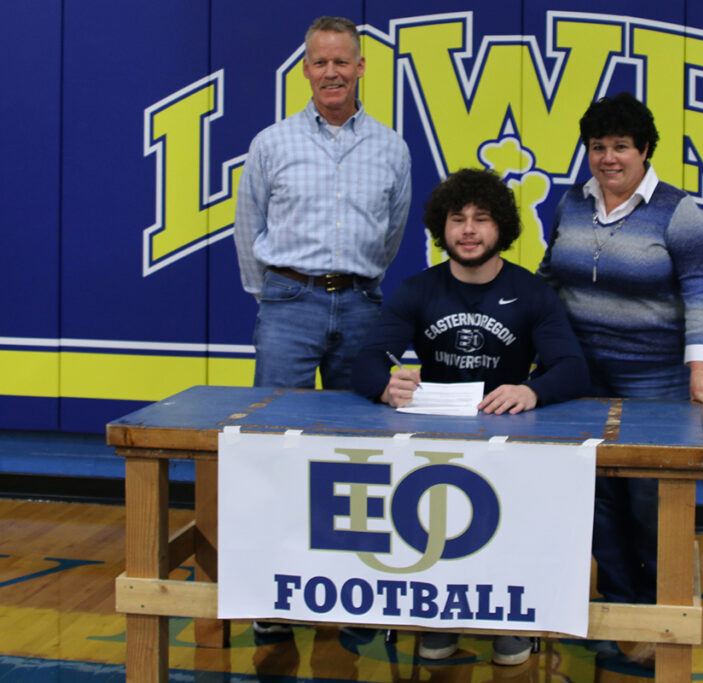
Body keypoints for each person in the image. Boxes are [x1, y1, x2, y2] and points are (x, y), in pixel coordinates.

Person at [352, 168, 589, 664]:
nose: (468, 230)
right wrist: (384, 385)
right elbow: (369, 360)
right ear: (442, 228)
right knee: (438, 522)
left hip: (509, 443)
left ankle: (512, 620)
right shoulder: (417, 290)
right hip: (438, 442)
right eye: (457, 219)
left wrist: (532, 390)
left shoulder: (531, 291)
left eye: (481, 219)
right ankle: (441, 618)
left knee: (512, 524)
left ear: (500, 227)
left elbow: (572, 368)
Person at [537, 92, 703, 665]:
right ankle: (617, 609)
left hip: (655, 384)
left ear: (645, 150)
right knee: (595, 501)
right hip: (579, 379)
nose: (608, 157)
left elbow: (702, 291)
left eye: (621, 146)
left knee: (649, 502)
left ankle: (657, 611)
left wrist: (700, 369)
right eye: (598, 146)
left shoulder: (681, 213)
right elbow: (549, 279)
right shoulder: (570, 204)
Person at [234, 16, 412, 391]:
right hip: (288, 304)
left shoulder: (392, 147)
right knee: (274, 423)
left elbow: (392, 232)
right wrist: (270, 293)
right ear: (306, 69)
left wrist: (362, 279)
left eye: (342, 62)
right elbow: (248, 225)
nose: (331, 73)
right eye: (320, 63)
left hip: (362, 304)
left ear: (360, 67)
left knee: (355, 428)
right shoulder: (271, 144)